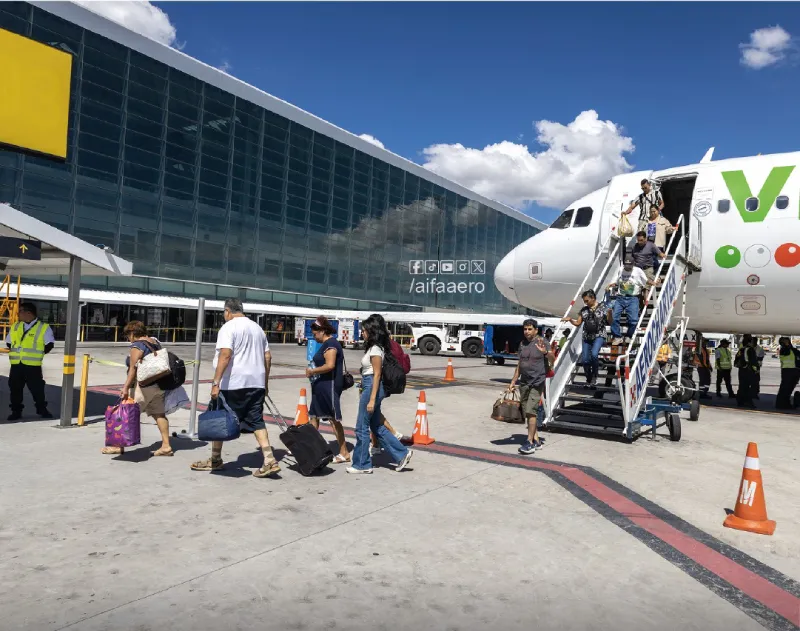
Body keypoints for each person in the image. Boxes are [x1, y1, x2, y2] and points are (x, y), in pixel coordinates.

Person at [191, 299, 280, 477]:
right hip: (256, 382)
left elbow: (225, 355)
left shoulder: (228, 327)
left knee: (220, 417)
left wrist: (216, 382)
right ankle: (269, 459)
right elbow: (268, 357)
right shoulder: (257, 329)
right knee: (256, 420)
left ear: (227, 311)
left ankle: (215, 459)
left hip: (233, 383)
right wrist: (265, 383)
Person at [347, 315, 413, 475]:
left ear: (372, 331)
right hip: (369, 384)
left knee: (361, 427)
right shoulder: (374, 347)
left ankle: (362, 464)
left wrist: (371, 399)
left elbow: (376, 374)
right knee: (376, 425)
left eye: (364, 330)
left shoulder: (376, 349)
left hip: (372, 386)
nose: (362, 333)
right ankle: (402, 454)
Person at [102, 321, 173, 456]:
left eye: (127, 335)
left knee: (126, 412)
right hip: (158, 385)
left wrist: (125, 387)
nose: (128, 338)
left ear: (132, 333)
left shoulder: (137, 346)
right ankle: (166, 446)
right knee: (159, 414)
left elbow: (133, 369)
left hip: (143, 387)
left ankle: (118, 446)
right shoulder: (154, 342)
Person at [304, 316, 349, 464]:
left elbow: (330, 365)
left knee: (333, 419)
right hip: (320, 387)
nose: (314, 337)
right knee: (313, 416)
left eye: (315, 334)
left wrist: (313, 371)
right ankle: (310, 448)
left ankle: (344, 452)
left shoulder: (331, 344)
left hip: (329, 386)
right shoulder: (325, 344)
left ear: (322, 331)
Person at [508, 319, 554, 455]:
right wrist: (513, 381)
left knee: (530, 411)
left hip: (537, 382)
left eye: (529, 329)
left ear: (536, 330)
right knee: (527, 411)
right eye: (525, 329)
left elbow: (552, 359)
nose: (527, 332)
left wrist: (545, 352)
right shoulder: (522, 344)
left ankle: (529, 443)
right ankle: (536, 440)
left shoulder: (542, 341)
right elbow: (520, 364)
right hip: (524, 382)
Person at [5, 302, 54, 421]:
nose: (18, 314)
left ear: (28, 313)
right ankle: (16, 411)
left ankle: (42, 409)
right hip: (16, 365)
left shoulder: (43, 327)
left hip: (33, 366)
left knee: (37, 389)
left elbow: (49, 344)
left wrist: (37, 354)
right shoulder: (16, 326)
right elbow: (9, 342)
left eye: (20, 311)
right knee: (15, 389)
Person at [561, 289, 611, 387]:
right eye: (584, 301)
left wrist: (610, 314)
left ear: (593, 298)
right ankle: (589, 378)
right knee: (585, 360)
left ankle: (595, 376)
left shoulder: (603, 307)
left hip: (599, 335)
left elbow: (610, 322)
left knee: (594, 354)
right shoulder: (584, 310)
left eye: (587, 300)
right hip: (587, 337)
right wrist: (570, 320)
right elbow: (578, 323)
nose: (585, 303)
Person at [607, 255, 650, 346]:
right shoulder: (621, 270)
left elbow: (646, 281)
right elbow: (618, 281)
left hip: (633, 298)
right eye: (626, 265)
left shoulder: (638, 271)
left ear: (633, 264)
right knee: (614, 318)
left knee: (633, 320)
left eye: (629, 265)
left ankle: (629, 336)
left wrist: (653, 283)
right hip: (620, 297)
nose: (627, 267)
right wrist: (612, 284)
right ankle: (617, 337)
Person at [735, 335, 759, 409]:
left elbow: (737, 358)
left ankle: (740, 401)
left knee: (742, 386)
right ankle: (748, 401)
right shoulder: (750, 350)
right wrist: (756, 370)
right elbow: (753, 361)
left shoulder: (741, 349)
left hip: (741, 370)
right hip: (748, 370)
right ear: (750, 342)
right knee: (751, 387)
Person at [776, 337, 800, 410]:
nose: (788, 342)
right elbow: (787, 352)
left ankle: (786, 403)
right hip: (787, 371)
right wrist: (786, 345)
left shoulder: (793, 350)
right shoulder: (783, 350)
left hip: (795, 371)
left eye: (788, 341)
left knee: (789, 389)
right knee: (785, 388)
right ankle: (780, 404)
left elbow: (797, 354)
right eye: (785, 341)